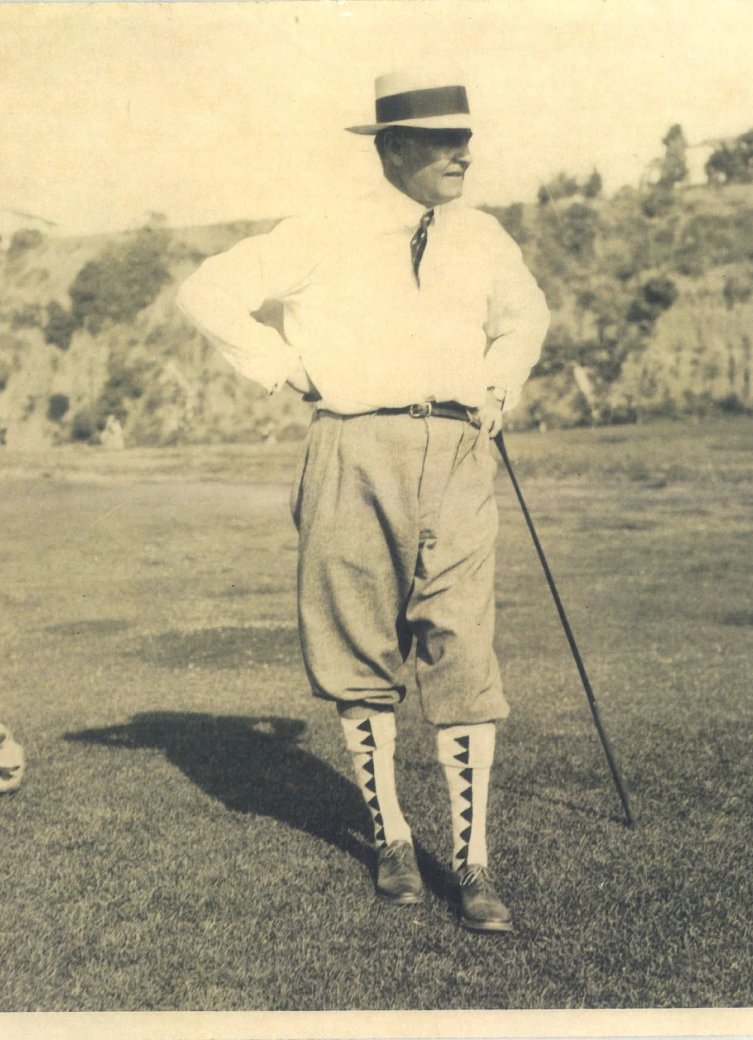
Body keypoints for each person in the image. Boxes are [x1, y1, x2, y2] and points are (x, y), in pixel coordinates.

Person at [176, 70, 550, 932]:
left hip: (457, 450)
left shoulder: (484, 236)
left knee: (463, 645)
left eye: (467, 136)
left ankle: (472, 863)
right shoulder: (321, 231)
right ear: (390, 148)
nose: (464, 152)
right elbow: (206, 292)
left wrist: (498, 383)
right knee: (358, 644)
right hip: (350, 447)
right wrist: (285, 366)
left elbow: (524, 316)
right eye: (441, 138)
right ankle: (390, 840)